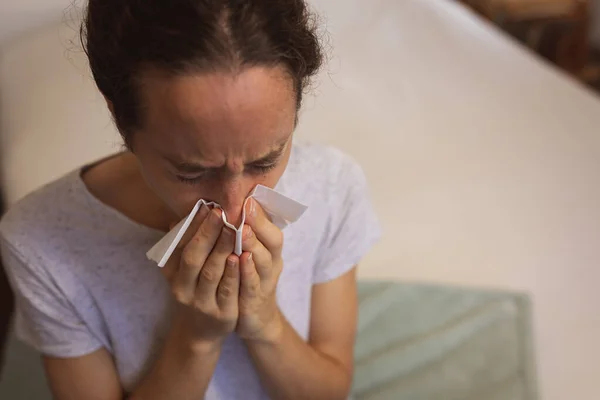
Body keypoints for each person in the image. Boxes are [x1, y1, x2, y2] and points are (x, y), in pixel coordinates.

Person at [0, 1, 380, 399]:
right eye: (191, 172)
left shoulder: (334, 186)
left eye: (266, 160)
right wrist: (196, 337)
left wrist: (264, 321)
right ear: (119, 118)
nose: (235, 208)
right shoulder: (41, 241)